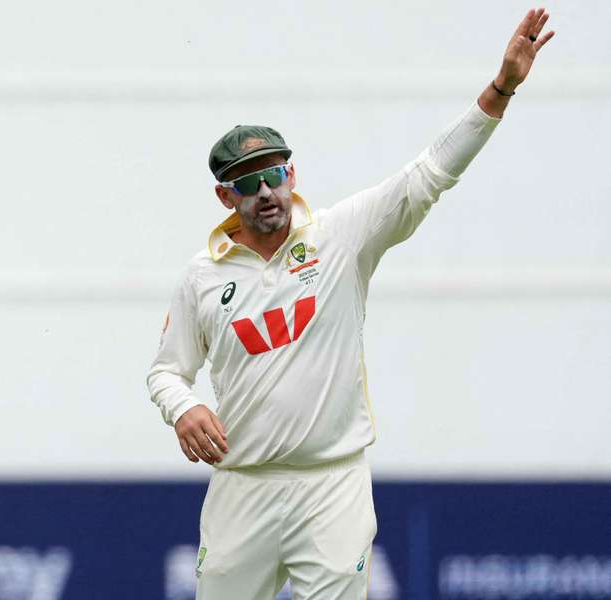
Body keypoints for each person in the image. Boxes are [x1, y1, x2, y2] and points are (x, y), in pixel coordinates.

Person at [147, 9, 554, 600]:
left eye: (273, 174)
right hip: (243, 486)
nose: (265, 192)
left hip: (331, 483)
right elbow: (165, 371)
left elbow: (429, 174)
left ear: (292, 173)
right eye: (247, 183)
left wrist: (501, 90)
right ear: (224, 196)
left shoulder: (341, 236)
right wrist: (183, 407)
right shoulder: (202, 276)